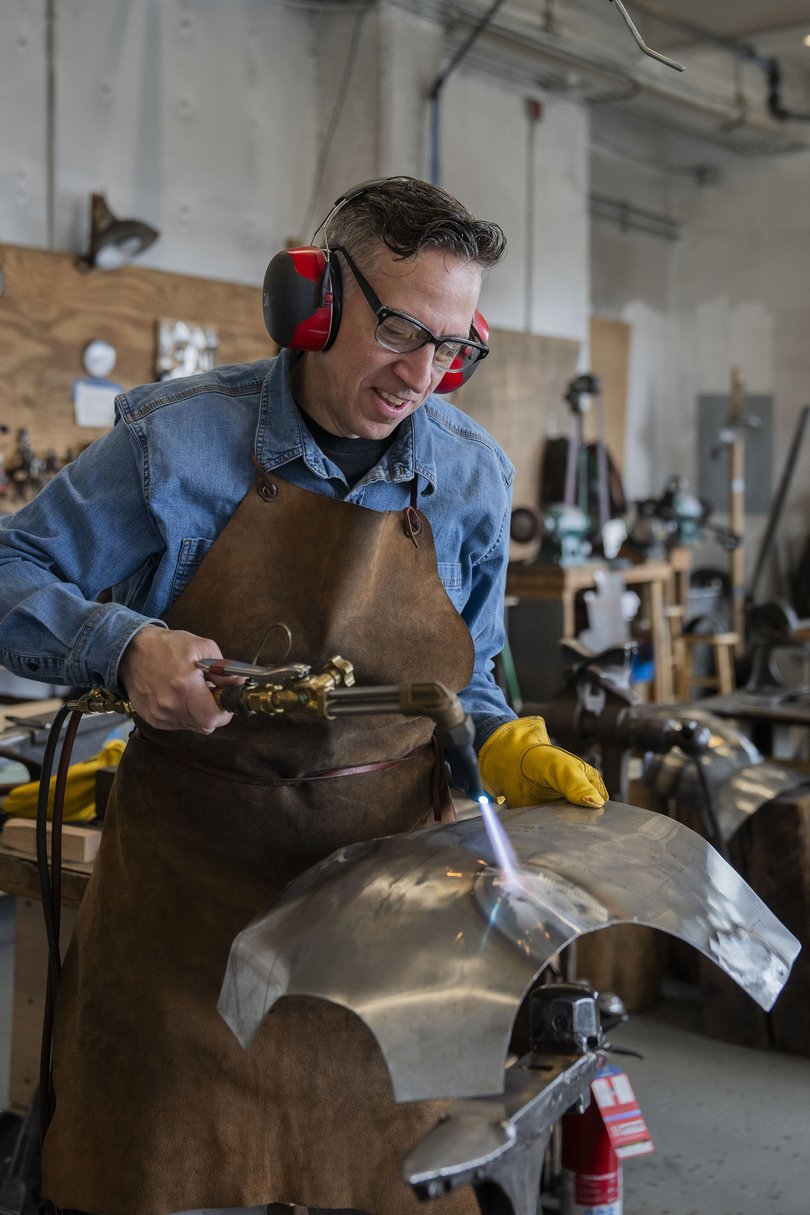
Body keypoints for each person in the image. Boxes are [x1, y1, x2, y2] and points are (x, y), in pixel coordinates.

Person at [0, 176, 606, 1215]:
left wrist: (502, 747)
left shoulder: (469, 476)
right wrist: (124, 648)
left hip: (381, 946)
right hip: (185, 931)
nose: (421, 373)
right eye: (400, 328)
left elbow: (480, 675)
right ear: (314, 302)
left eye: (454, 347)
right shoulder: (172, 445)